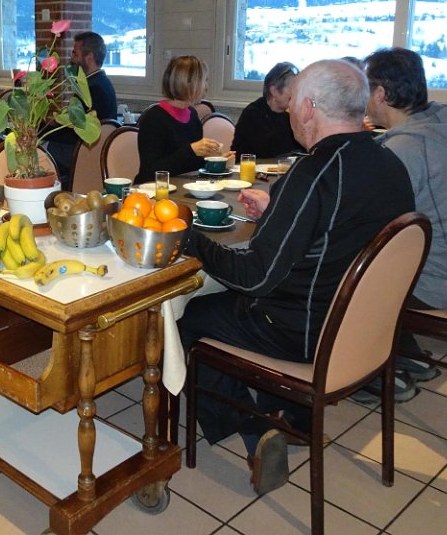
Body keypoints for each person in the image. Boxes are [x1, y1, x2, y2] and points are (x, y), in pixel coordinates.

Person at [178, 59, 415, 497]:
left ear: (308, 108)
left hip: (305, 334)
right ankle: (296, 417)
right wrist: (282, 212)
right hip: (365, 330)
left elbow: (254, 278)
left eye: (291, 105)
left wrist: (192, 239)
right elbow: (343, 231)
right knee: (241, 303)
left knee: (191, 315)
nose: (288, 113)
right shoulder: (390, 164)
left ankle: (256, 430)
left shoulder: (313, 172)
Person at [361, 47, 447, 399]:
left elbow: (366, 225)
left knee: (339, 270)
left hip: (442, 283)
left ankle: (373, 371)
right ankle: (409, 355)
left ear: (380, 94)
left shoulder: (405, 149)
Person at [134, 55, 224, 183]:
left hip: (182, 186)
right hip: (154, 189)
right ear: (188, 84)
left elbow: (192, 166)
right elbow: (150, 171)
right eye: (204, 81)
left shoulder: (192, 114)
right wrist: (191, 150)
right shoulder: (154, 118)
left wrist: (213, 160)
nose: (206, 86)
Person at [45, 31, 118, 181]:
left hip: (81, 153)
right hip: (92, 152)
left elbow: (75, 130)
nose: (71, 59)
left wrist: (47, 129)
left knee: (37, 150)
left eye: (75, 54)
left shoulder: (93, 89)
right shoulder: (102, 82)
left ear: (89, 57)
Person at [231, 62, 302, 157]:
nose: (297, 95)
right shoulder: (253, 114)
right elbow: (271, 151)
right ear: (274, 91)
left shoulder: (288, 115)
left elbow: (302, 148)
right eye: (293, 89)